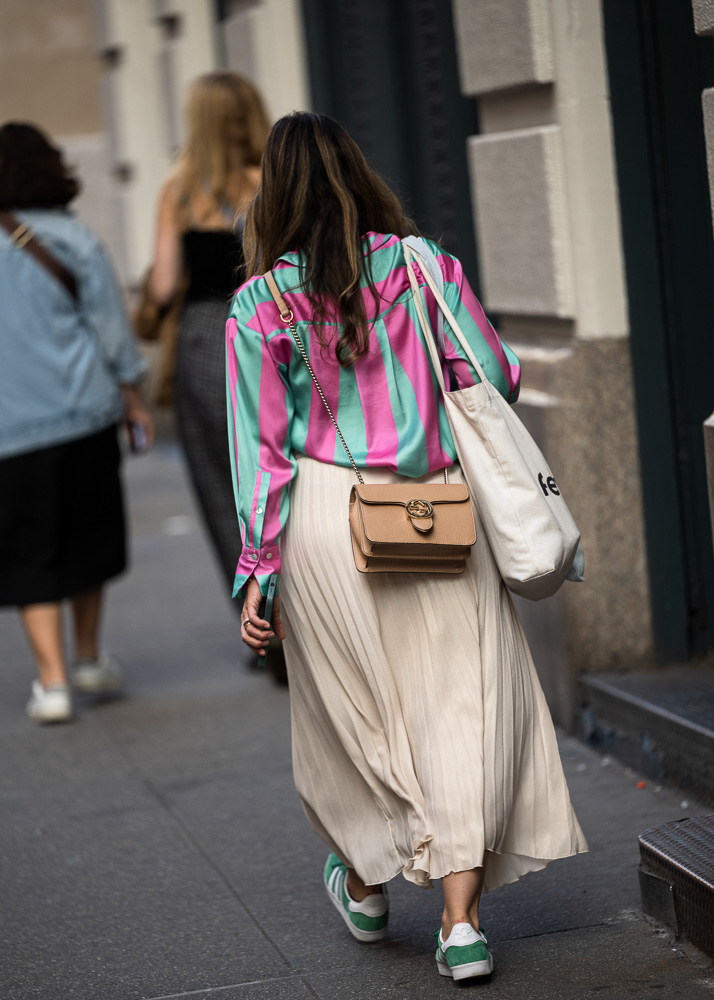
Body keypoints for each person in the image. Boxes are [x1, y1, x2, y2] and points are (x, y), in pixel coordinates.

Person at [227, 111, 587, 982]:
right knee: (459, 702)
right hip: (432, 512)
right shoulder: (425, 268)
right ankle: (460, 928)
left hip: (320, 518)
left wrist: (259, 574)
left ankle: (364, 876)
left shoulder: (257, 305)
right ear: (360, 176)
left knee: (354, 714)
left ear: (273, 196)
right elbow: (492, 374)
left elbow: (262, 450)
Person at [0, 121, 154, 724]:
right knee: (87, 535)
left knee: (29, 552)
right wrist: (134, 396)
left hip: (10, 429)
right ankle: (88, 655)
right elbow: (112, 333)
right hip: (85, 414)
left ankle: (53, 682)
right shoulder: (77, 241)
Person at [149, 71, 270, 616]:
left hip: (207, 337)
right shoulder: (274, 181)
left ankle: (257, 617)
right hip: (273, 326)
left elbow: (163, 285)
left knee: (222, 484)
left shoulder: (179, 191)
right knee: (281, 468)